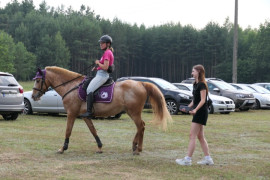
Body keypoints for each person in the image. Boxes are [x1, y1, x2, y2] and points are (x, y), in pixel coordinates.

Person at [176, 64, 214, 166]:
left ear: (199, 72)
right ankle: (208, 159)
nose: (191, 73)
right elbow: (195, 100)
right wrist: (188, 107)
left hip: (201, 112)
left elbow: (203, 100)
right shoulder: (195, 84)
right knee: (200, 136)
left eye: (193, 71)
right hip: (198, 111)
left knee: (192, 135)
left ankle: (187, 160)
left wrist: (195, 110)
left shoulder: (202, 84)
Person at [80, 35, 114, 118]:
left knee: (89, 89)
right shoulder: (107, 52)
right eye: (100, 43)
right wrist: (97, 68)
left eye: (102, 43)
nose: (101, 44)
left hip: (102, 75)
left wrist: (98, 63)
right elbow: (104, 66)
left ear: (108, 44)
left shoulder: (107, 53)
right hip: (100, 73)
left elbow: (105, 67)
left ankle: (89, 112)